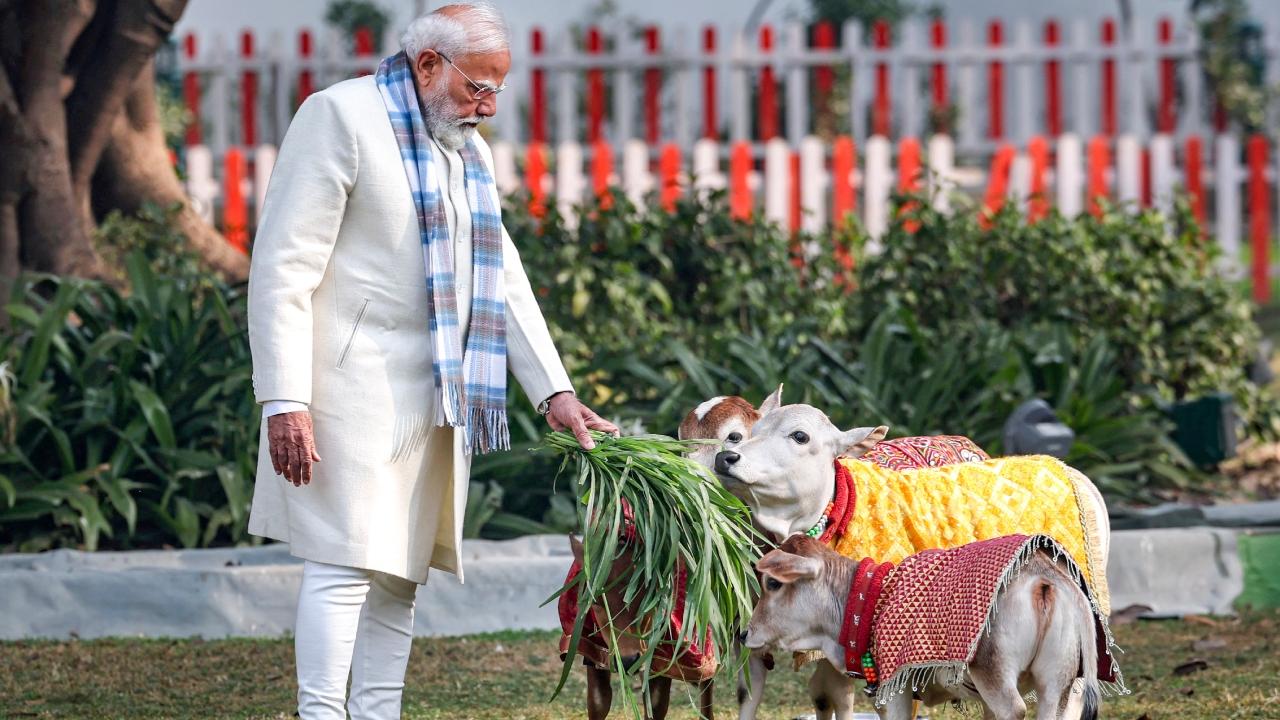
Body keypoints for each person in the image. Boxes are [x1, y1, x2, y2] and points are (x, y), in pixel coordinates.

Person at [244, 3, 617, 718]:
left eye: (497, 91)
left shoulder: (465, 146)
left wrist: (555, 393)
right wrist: (283, 398)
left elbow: (500, 274)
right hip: (345, 389)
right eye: (479, 86)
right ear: (426, 64)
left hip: (439, 393)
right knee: (344, 565)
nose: (488, 106)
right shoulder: (339, 116)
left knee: (399, 576)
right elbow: (282, 268)